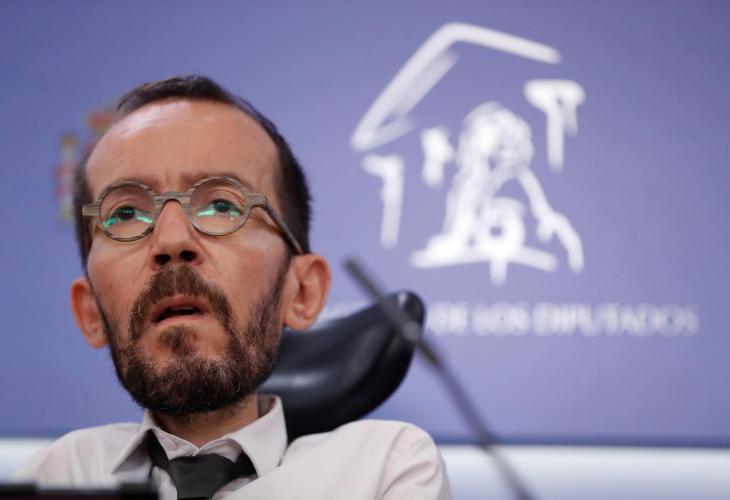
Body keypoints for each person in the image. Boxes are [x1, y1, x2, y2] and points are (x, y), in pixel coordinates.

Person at [15, 75, 451, 499]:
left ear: (302, 292)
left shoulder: (382, 470)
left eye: (222, 205)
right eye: (126, 214)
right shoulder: (57, 475)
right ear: (90, 310)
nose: (171, 241)